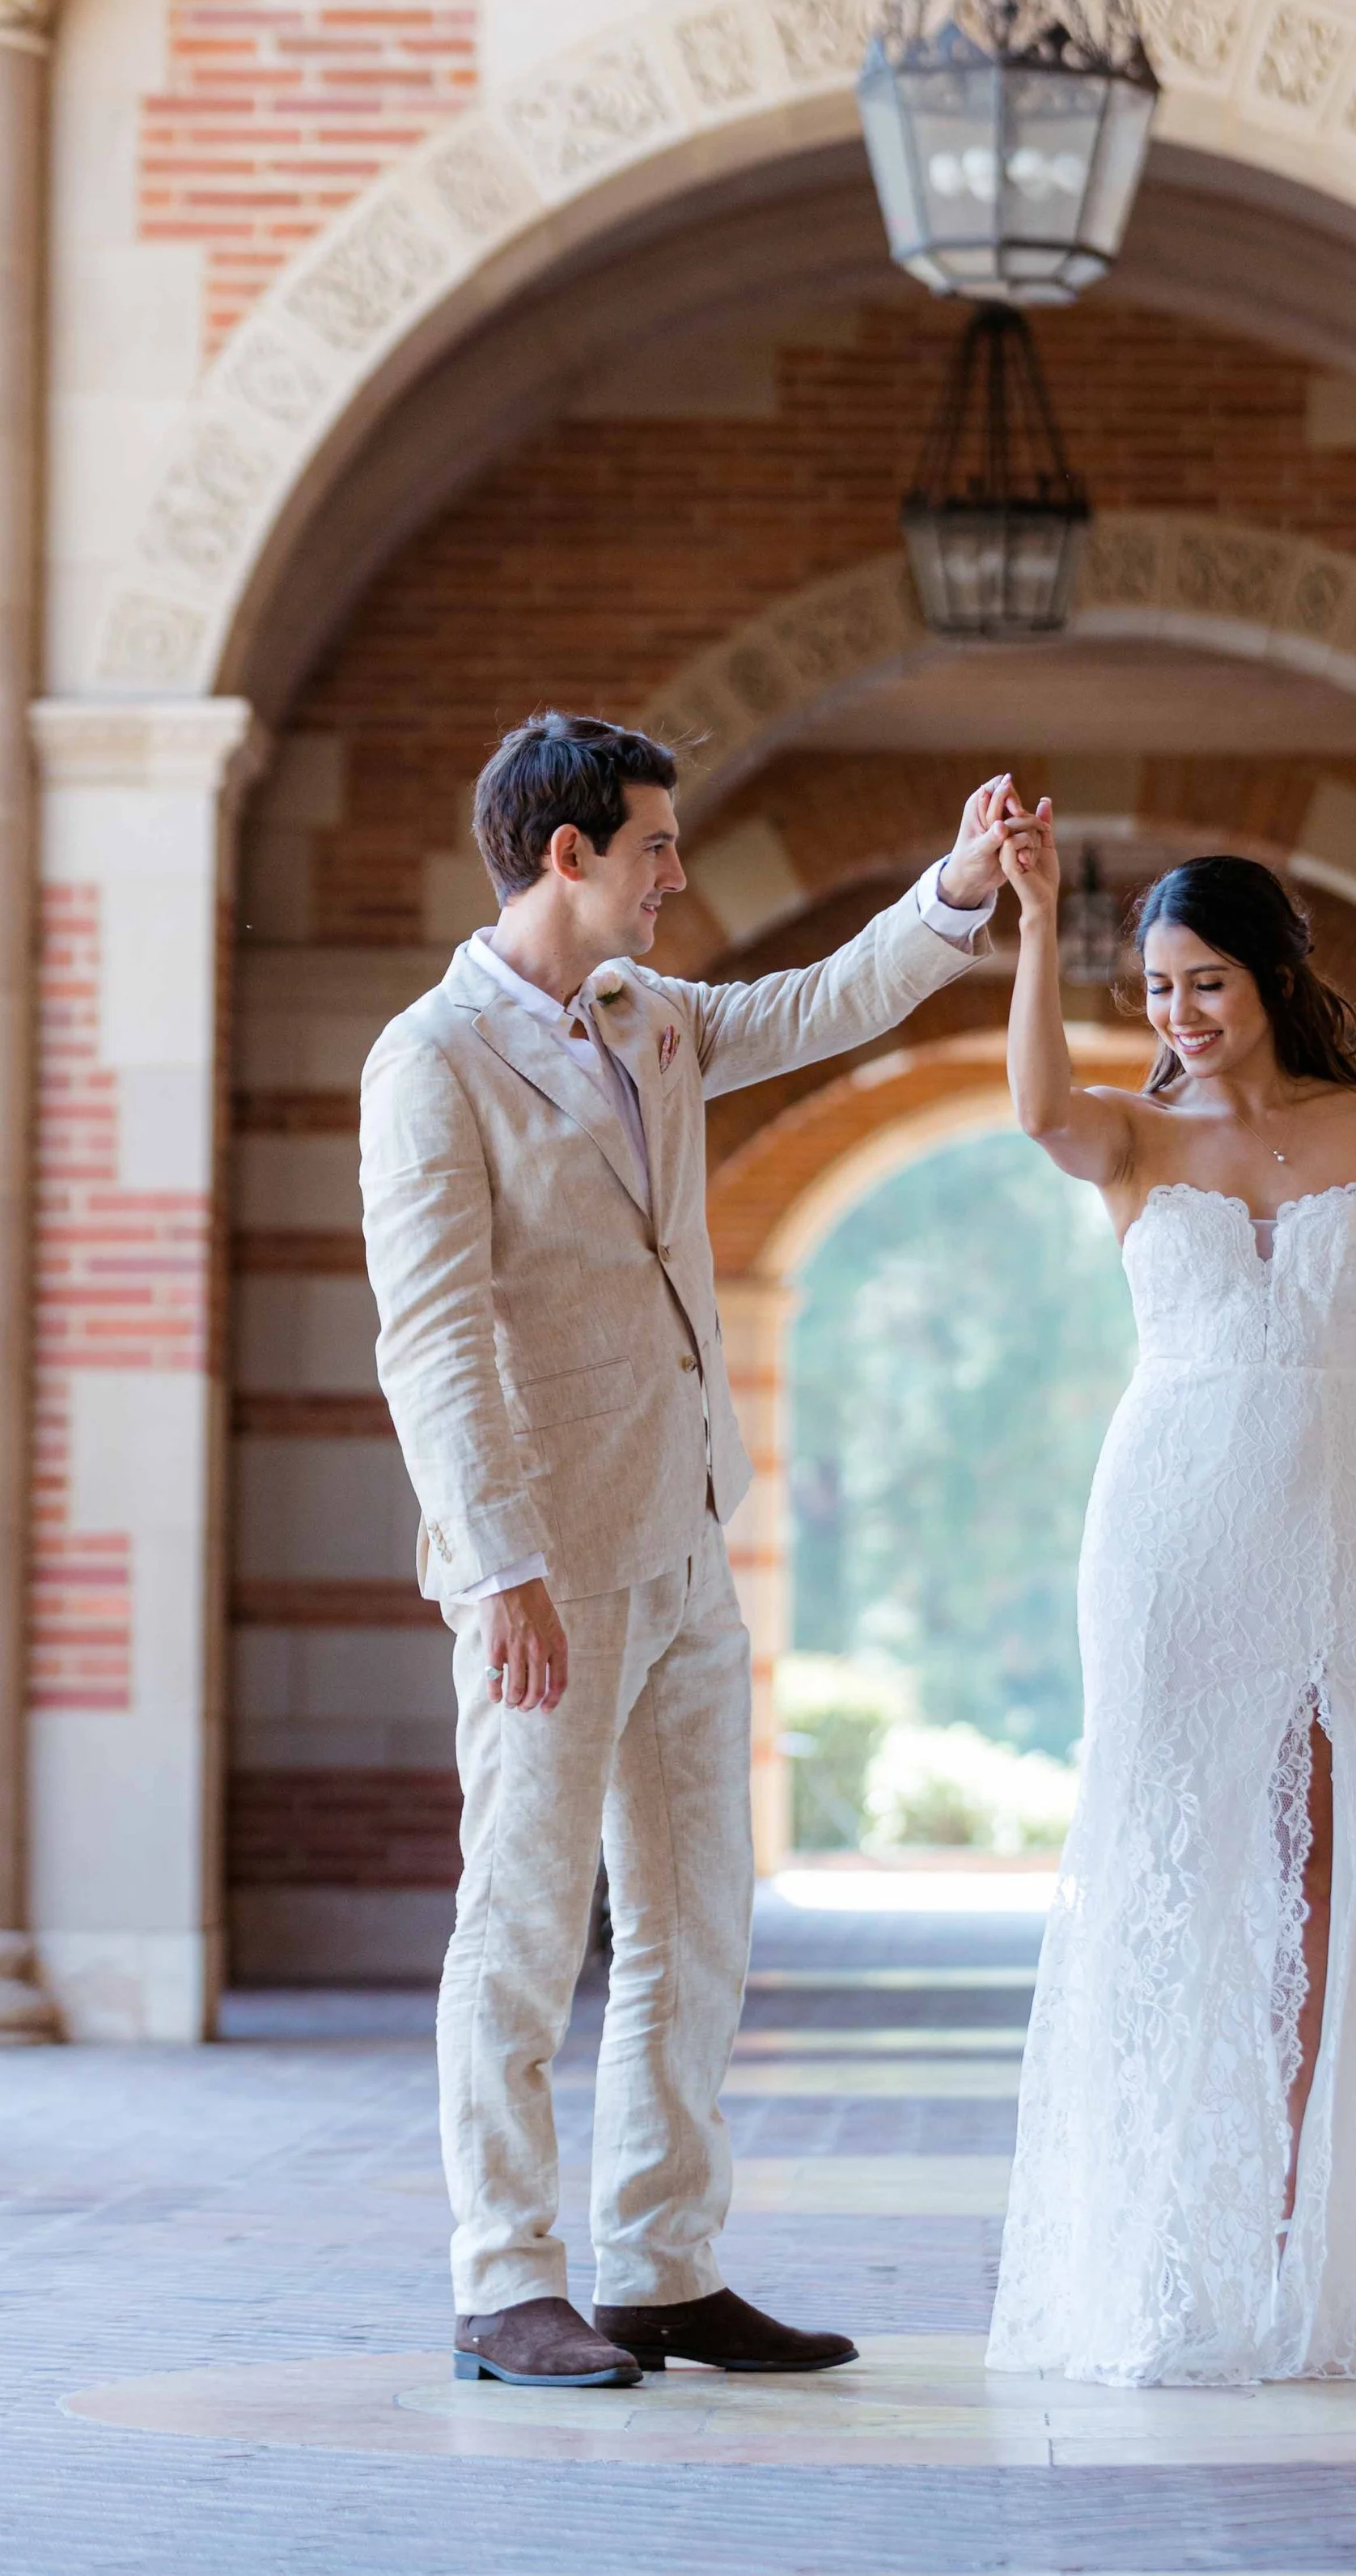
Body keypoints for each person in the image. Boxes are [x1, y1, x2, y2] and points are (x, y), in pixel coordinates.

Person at [360, 712, 1023, 2390]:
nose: (677, 873)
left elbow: (813, 1006)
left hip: (679, 1536)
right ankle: (504, 2279)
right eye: (655, 845)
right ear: (567, 856)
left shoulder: (647, 1020)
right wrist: (499, 1559)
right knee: (519, 1927)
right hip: (543, 1568)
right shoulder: (428, 1062)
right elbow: (431, 1335)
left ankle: (660, 2264)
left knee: (691, 1924)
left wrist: (956, 888)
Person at [985, 821, 1356, 2389]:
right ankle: (1151, 2252)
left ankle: (1286, 2252)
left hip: (1332, 1519)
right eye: (1151, 990)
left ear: (1271, 976)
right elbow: (1028, 1106)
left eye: (1201, 983)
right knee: (1163, 1876)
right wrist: (1026, 921)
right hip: (1161, 1530)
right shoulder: (1129, 1142)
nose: (1176, 1016)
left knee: (1314, 1885)